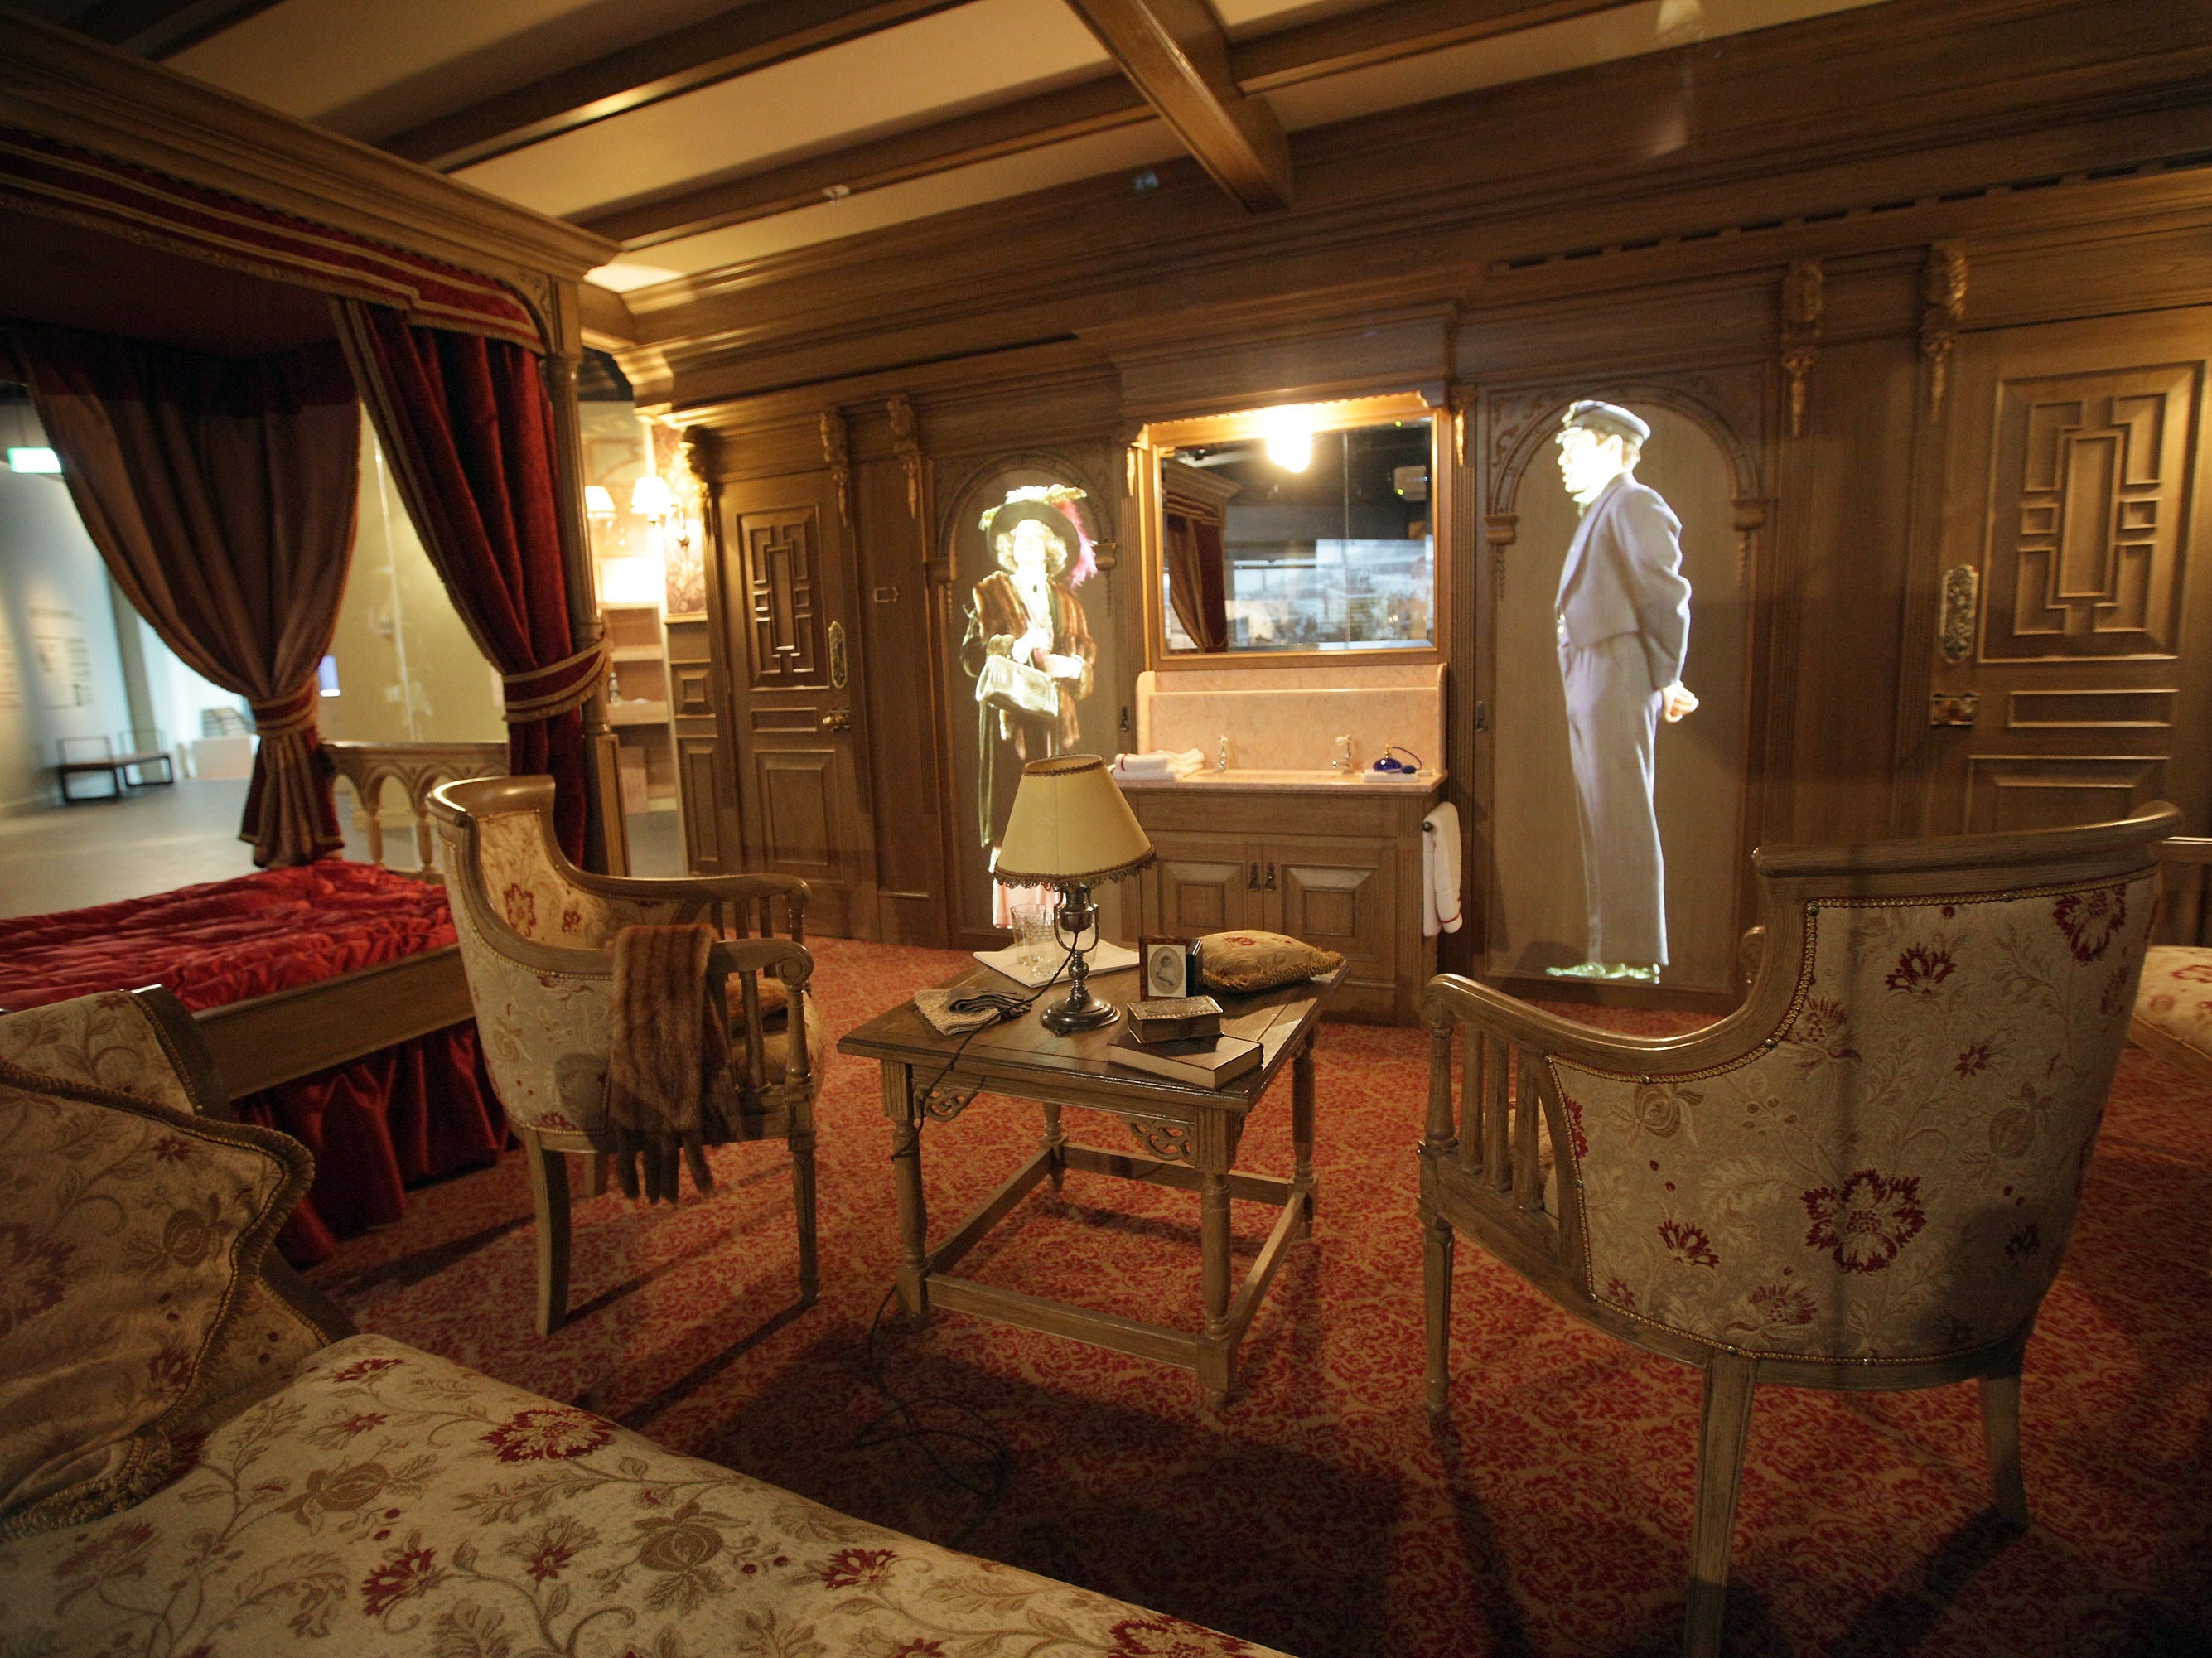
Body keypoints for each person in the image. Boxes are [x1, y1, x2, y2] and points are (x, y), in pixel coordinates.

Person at [1546, 400, 1696, 984]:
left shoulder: (1633, 501)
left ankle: (1633, 956)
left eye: (1573, 447)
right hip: (1591, 667)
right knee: (1601, 813)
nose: (1562, 459)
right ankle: (1610, 952)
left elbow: (1665, 594)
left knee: (1622, 810)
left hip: (1614, 666)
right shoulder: (1600, 509)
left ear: (1611, 446)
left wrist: (1666, 677)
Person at [959, 495, 1096, 923]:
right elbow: (970, 656)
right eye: (1021, 541)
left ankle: (1061, 912)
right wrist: (1011, 647)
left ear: (1051, 547)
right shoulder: (989, 592)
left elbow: (1086, 655)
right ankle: (1021, 916)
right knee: (1016, 816)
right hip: (1011, 726)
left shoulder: (1067, 601)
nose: (1028, 548)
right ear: (1009, 547)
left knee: (1058, 818)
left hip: (1058, 722)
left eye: (1037, 541)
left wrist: (1070, 664)